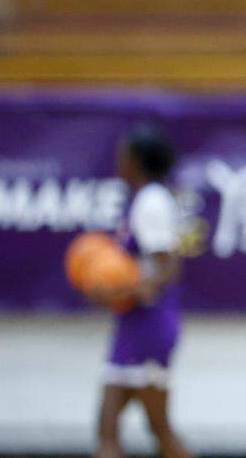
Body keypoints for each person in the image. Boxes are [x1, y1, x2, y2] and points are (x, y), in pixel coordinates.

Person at [93, 123, 191, 458]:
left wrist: (117, 288)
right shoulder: (146, 199)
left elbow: (167, 268)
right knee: (115, 430)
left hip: (149, 323)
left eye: (123, 155)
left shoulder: (152, 201)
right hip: (136, 321)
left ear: (136, 161)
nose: (117, 161)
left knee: (152, 429)